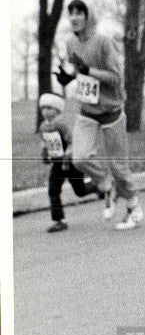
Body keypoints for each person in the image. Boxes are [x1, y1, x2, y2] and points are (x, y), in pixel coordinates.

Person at [54, 0, 143, 230]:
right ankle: (107, 186)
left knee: (119, 166)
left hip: (111, 110)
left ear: (88, 16)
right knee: (80, 158)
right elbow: (78, 71)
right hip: (87, 110)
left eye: (79, 13)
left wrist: (88, 71)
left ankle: (134, 208)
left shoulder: (103, 42)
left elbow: (115, 77)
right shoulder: (71, 43)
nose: (74, 17)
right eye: (71, 13)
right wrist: (69, 77)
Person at [38, 92, 98, 232]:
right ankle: (59, 220)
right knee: (53, 190)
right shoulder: (43, 126)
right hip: (57, 164)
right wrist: (44, 153)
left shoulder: (62, 124)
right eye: (43, 108)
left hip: (70, 162)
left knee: (80, 191)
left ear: (58, 109)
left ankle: (97, 186)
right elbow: (45, 142)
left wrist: (67, 157)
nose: (46, 112)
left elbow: (71, 142)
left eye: (49, 108)